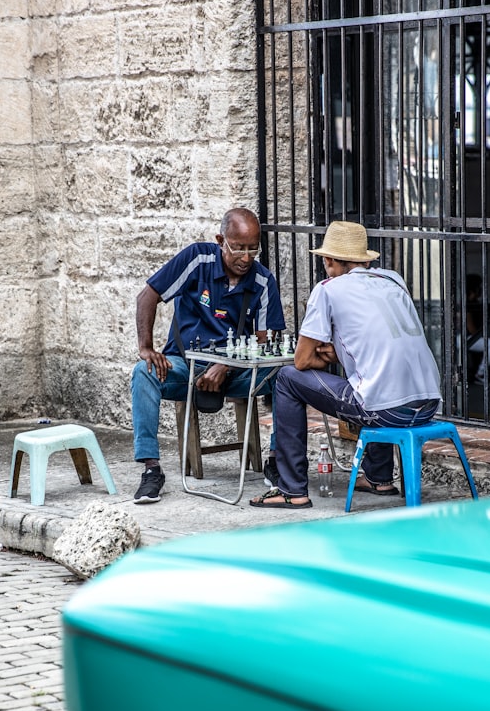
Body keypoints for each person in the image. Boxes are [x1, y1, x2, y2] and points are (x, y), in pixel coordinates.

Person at [250, 220, 441, 509]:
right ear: (364, 259)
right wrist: (336, 353)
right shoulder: (392, 279)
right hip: (427, 406)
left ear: (327, 260)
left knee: (287, 378)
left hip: (387, 413)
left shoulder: (328, 289)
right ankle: (379, 477)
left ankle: (291, 490)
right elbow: (377, 344)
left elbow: (301, 360)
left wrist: (324, 356)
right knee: (372, 379)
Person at [131, 207, 286, 504]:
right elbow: (147, 296)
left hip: (238, 372)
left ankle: (277, 459)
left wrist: (226, 366)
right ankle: (151, 470)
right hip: (184, 367)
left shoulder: (263, 281)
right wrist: (146, 348)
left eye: (253, 249)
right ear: (220, 240)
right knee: (143, 372)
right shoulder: (197, 259)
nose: (245, 258)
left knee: (286, 376)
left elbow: (265, 343)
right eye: (238, 248)